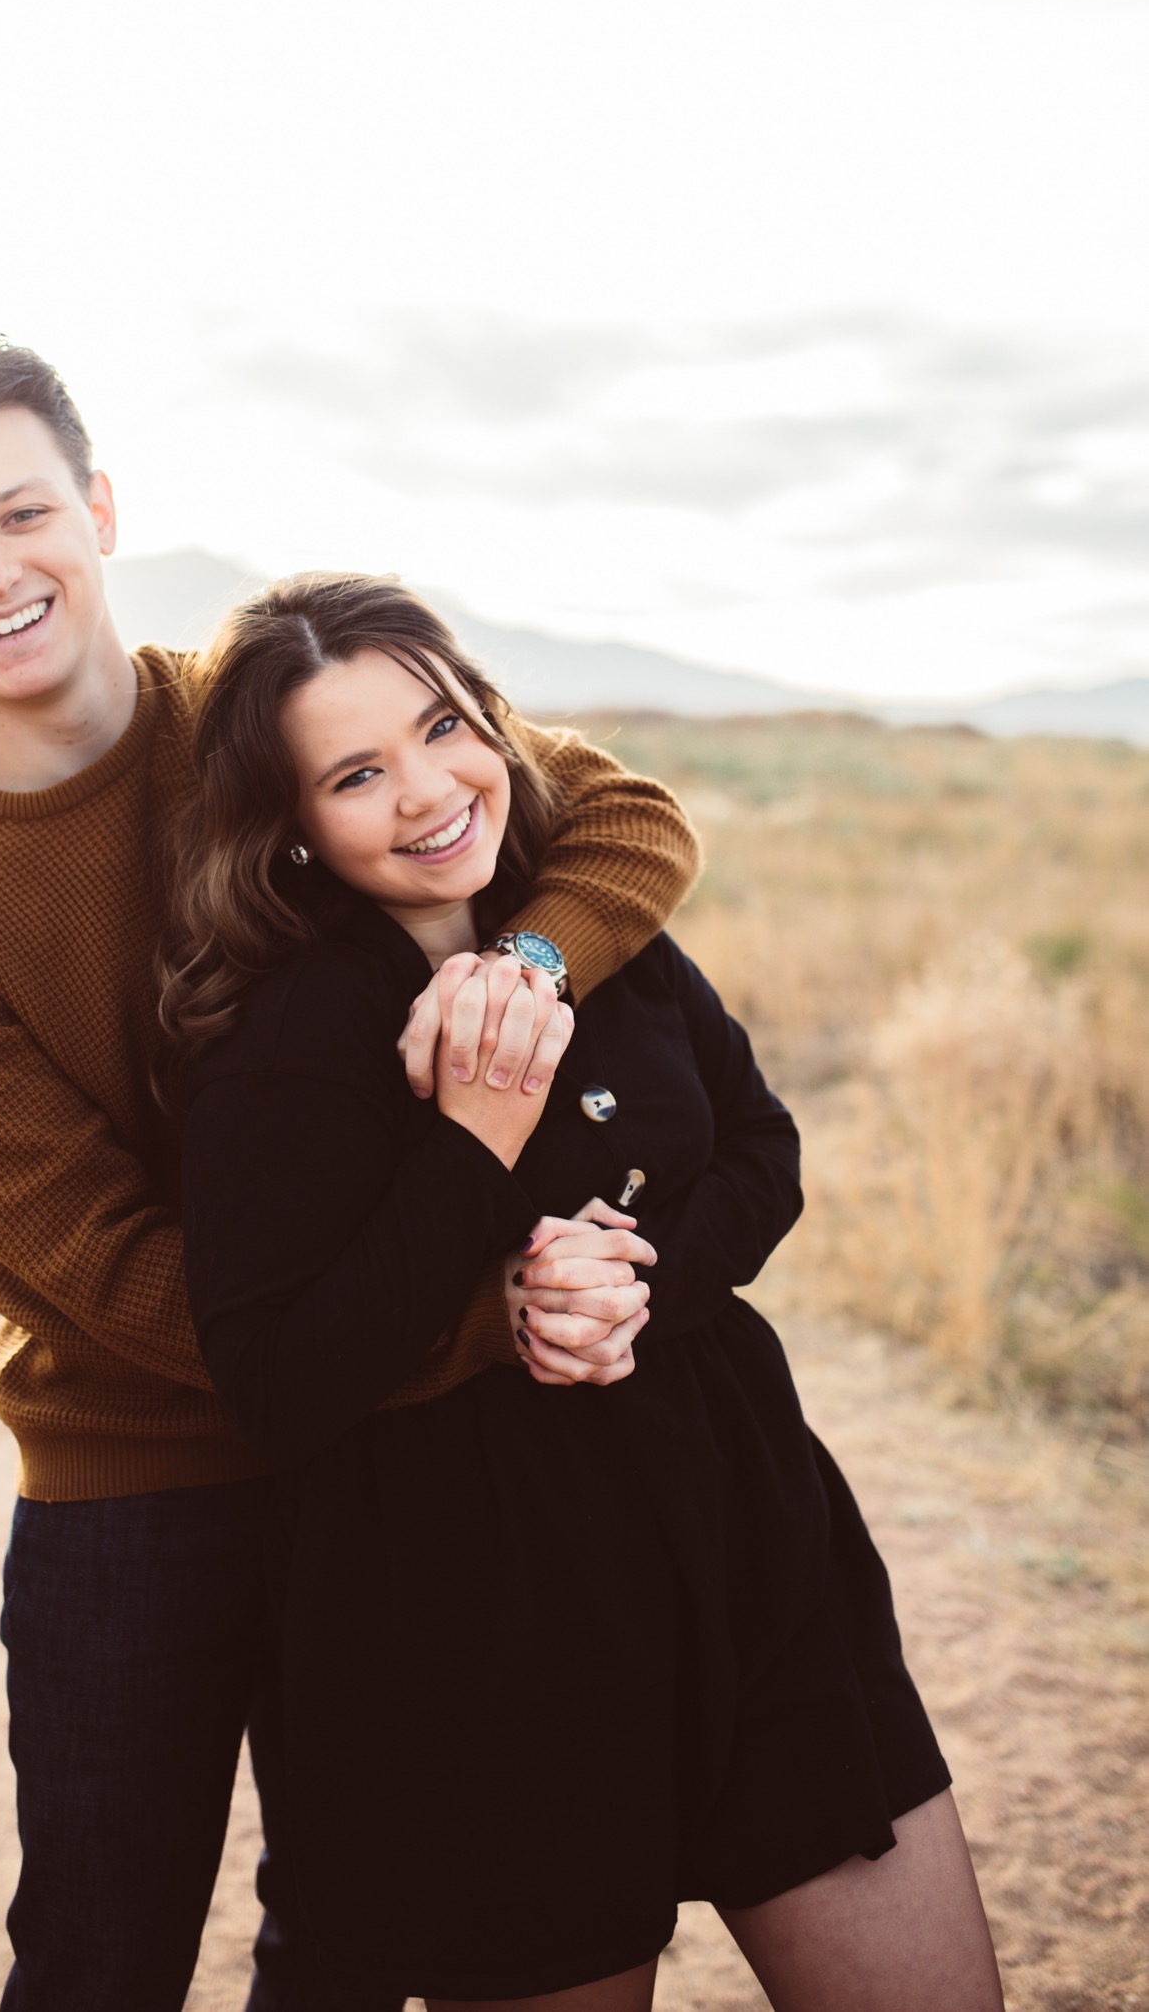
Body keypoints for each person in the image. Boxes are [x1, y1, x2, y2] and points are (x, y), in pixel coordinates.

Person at [0, 334, 705, 2009]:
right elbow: (110, 1265)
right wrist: (477, 1322)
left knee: (361, 1932)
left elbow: (627, 817)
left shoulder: (261, 714)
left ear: (97, 509)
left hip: (389, 1468)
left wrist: (512, 970)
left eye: (24, 511)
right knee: (101, 1952)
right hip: (136, 1483)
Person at [167, 573, 1007, 2012]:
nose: (432, 791)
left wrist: (632, 1282)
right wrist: (473, 1147)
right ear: (292, 825)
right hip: (486, 1611)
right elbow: (279, 1381)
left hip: (741, 1526)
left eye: (446, 727)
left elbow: (762, 1150)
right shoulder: (285, 1044)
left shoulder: (594, 939)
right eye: (360, 772)